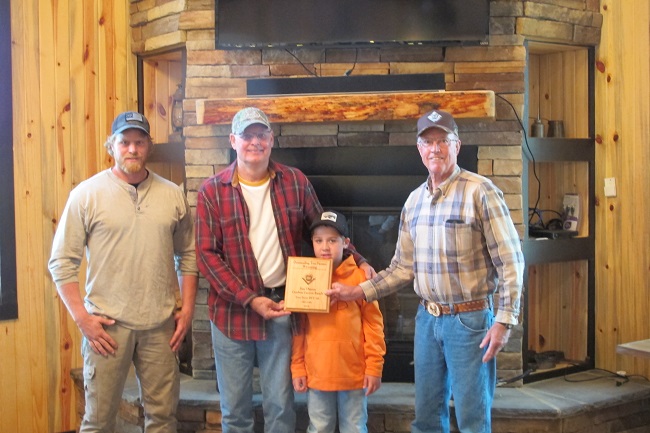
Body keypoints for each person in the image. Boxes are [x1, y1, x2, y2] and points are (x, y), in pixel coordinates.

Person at [327, 109, 525, 433]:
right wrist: (357, 292)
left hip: (470, 321)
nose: (435, 148)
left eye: (442, 141)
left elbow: (511, 260)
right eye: (427, 142)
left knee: (473, 419)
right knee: (427, 419)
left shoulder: (481, 191)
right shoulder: (413, 202)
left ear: (457, 145)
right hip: (426, 321)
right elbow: (402, 268)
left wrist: (504, 320)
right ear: (419, 149)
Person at [195, 107, 375, 433]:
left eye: (261, 134)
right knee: (235, 411)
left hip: (282, 305)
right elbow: (207, 257)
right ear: (233, 140)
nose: (254, 142)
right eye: (247, 135)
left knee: (280, 407)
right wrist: (250, 299)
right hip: (231, 312)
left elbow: (324, 231)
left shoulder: (294, 181)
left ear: (271, 139)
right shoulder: (211, 191)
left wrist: (359, 260)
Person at [48, 111, 198, 433]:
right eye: (125, 142)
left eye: (139, 142)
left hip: (160, 327)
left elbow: (188, 255)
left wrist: (186, 311)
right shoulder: (86, 195)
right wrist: (82, 319)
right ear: (112, 146)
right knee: (98, 422)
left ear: (148, 147)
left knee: (163, 421)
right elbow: (61, 263)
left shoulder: (172, 195)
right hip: (107, 329)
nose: (132, 149)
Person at [291, 210, 386, 433]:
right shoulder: (304, 279)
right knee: (319, 427)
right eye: (319, 240)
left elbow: (374, 325)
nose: (325, 247)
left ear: (346, 243)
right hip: (317, 375)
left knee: (354, 427)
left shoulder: (361, 279)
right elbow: (298, 328)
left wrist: (374, 366)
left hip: (354, 375)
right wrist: (298, 368)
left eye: (332, 240)